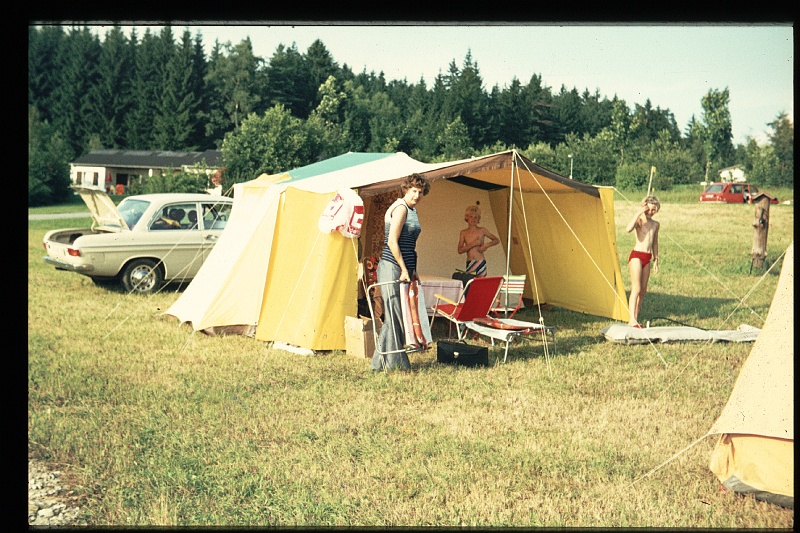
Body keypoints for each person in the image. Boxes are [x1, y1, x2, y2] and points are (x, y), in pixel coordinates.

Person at [370, 173, 431, 371]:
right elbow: (392, 242)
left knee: (395, 316)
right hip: (391, 266)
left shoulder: (412, 210)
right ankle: (399, 365)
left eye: (420, 192)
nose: (417, 195)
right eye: (414, 191)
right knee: (394, 315)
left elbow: (409, 245)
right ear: (406, 189)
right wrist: (403, 269)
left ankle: (378, 365)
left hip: (405, 268)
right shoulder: (400, 208)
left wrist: (413, 271)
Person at [626, 195, 661, 327]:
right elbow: (628, 229)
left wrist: (656, 259)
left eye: (654, 210)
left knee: (643, 290)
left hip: (648, 257)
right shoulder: (639, 221)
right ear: (644, 207)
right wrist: (638, 212)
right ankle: (631, 320)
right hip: (636, 256)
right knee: (636, 288)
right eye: (648, 209)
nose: (650, 212)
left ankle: (636, 317)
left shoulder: (655, 224)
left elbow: (655, 243)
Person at [457, 205, 500, 277]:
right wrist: (473, 244)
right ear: (467, 217)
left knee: (481, 283)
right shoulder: (463, 233)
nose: (473, 219)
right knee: (471, 283)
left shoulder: (482, 230)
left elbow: (496, 240)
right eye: (471, 216)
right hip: (470, 262)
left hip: (480, 261)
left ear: (478, 219)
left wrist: (486, 245)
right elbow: (460, 250)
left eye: (475, 217)